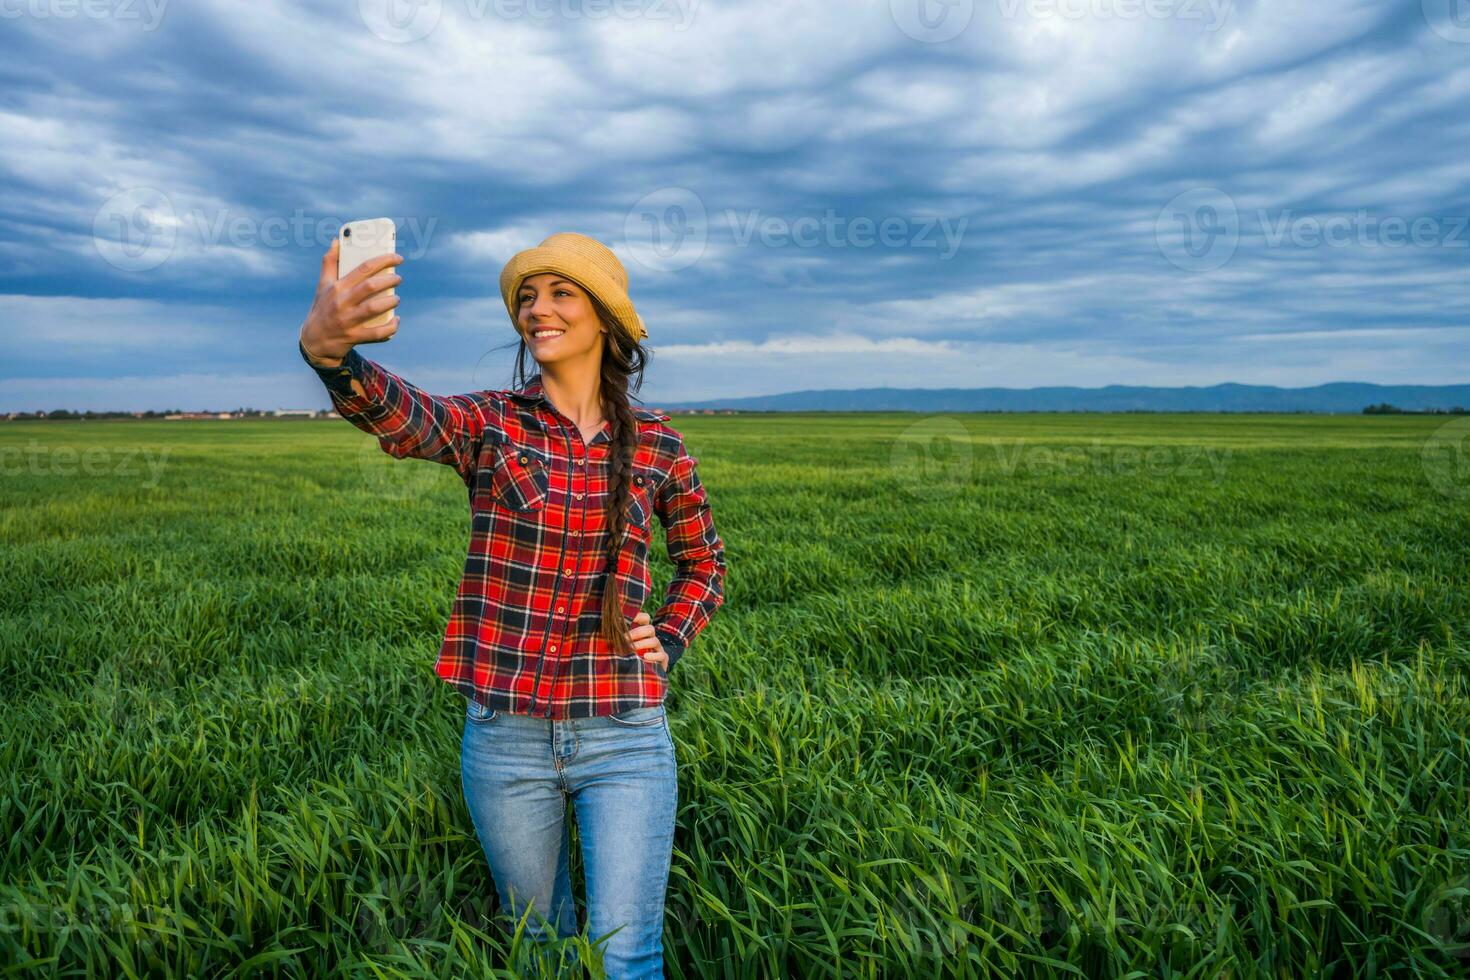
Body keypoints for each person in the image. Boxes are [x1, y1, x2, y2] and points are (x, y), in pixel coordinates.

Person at [297, 231, 728, 978]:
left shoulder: (660, 445)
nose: (537, 310)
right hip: (505, 738)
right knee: (542, 953)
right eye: (527, 298)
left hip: (624, 730)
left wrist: (671, 634)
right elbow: (408, 416)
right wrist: (332, 358)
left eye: (561, 293)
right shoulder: (494, 422)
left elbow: (705, 565)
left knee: (628, 958)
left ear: (606, 318)